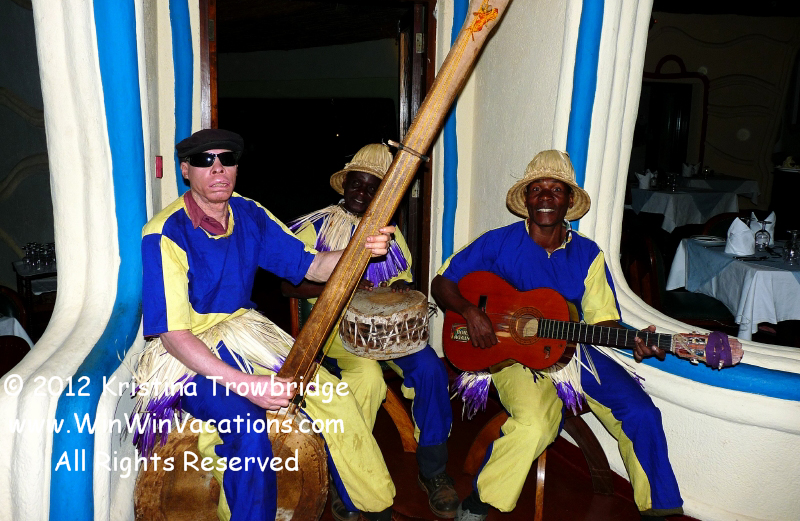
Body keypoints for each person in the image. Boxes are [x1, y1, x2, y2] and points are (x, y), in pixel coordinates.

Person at [136, 129, 417, 521]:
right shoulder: (164, 232)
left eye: (227, 159)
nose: (217, 169)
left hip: (245, 334)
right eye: (204, 160)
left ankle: (376, 507)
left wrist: (361, 249)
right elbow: (172, 335)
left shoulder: (249, 213)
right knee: (248, 426)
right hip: (186, 355)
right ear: (186, 170)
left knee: (335, 397)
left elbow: (312, 266)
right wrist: (248, 385)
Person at [431, 150, 684, 521]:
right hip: (510, 354)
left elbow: (603, 322)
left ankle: (658, 507)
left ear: (568, 201)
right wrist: (471, 312)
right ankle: (481, 501)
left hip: (574, 351)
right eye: (537, 189)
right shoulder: (497, 242)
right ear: (527, 199)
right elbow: (442, 283)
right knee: (536, 423)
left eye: (556, 190)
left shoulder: (588, 254)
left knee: (641, 412)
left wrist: (634, 340)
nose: (546, 197)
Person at [282, 144, 457, 520]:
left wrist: (399, 288)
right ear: (344, 184)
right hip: (335, 330)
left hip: (387, 330)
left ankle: (433, 468)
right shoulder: (316, 226)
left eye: (372, 187)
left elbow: (400, 279)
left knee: (430, 368)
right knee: (367, 377)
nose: (362, 193)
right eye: (356, 183)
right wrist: (340, 285)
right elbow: (287, 286)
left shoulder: (388, 233)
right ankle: (346, 476)